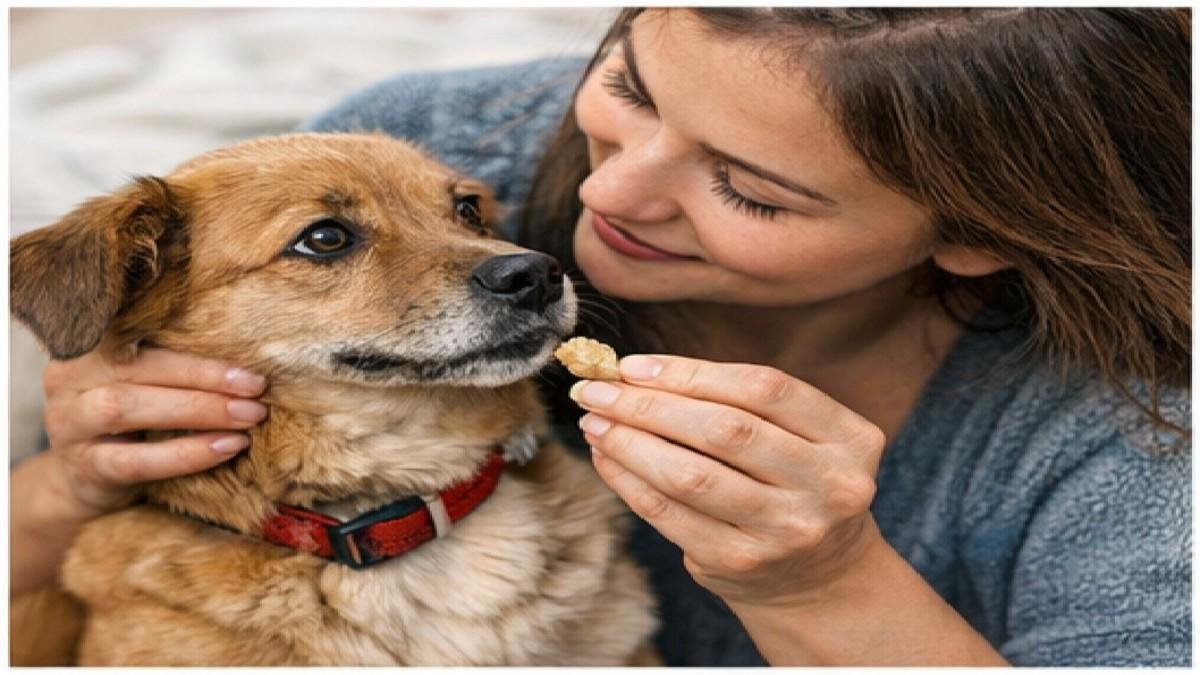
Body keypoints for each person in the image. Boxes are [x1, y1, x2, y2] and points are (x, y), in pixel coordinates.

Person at [10, 8, 1190, 666]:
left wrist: (822, 582)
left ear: (980, 232)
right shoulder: (421, 141)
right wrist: (70, 481)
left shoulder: (1134, 450)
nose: (608, 202)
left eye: (752, 189)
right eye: (632, 90)